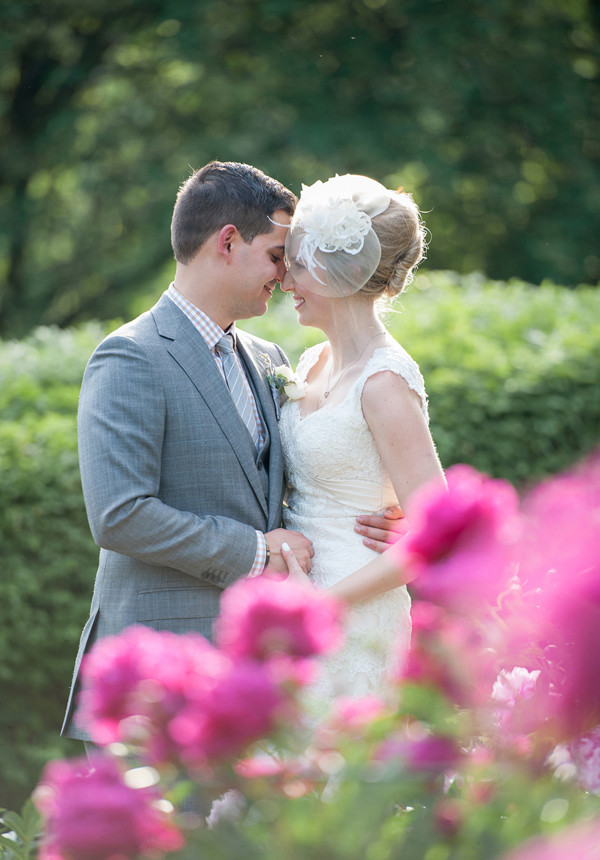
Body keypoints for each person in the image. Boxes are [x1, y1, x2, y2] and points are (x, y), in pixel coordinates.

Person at [61, 162, 399, 743]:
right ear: (226, 242)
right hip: (157, 675)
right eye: (276, 255)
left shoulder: (270, 357)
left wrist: (380, 516)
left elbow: (304, 473)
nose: (287, 274)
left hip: (254, 680)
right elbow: (119, 514)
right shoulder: (131, 356)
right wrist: (253, 552)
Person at [278, 174, 446, 702]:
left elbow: (438, 531)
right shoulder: (312, 361)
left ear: (339, 272)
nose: (287, 282)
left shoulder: (385, 382)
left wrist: (323, 604)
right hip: (298, 604)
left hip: (354, 607)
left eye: (299, 265)